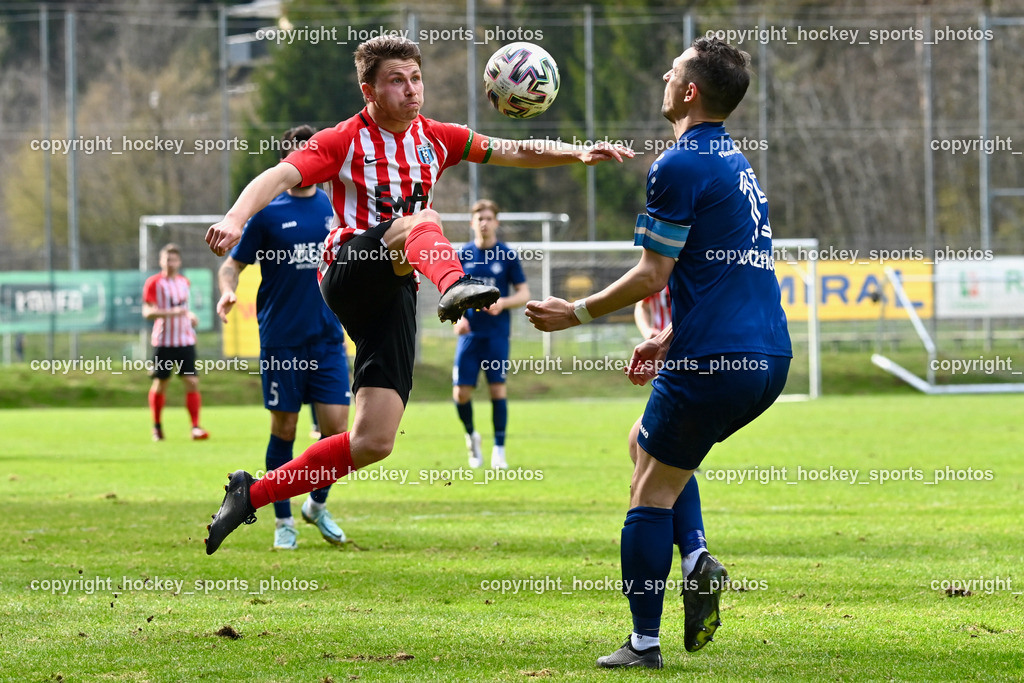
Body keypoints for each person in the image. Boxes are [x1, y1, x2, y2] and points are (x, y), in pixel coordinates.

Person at [202, 35, 632, 555]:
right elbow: (278, 175)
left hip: (397, 287)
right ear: (370, 91)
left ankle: (252, 493)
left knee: (373, 441)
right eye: (396, 81)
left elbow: (513, 149)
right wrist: (234, 216)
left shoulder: (437, 137)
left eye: (416, 78)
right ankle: (455, 285)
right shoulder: (342, 140)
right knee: (422, 219)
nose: (411, 90)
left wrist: (577, 151)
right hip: (349, 267)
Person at [526, 37, 792, 669]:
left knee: (648, 493)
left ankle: (645, 642)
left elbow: (653, 273)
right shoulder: (735, 162)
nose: (664, 77)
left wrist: (577, 312)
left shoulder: (676, 164)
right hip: (767, 356)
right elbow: (726, 273)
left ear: (690, 92)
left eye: (672, 71)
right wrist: (670, 338)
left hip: (715, 359)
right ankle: (696, 555)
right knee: (645, 445)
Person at [216, 125, 352, 551]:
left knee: (339, 434)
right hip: (282, 339)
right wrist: (227, 290)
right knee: (286, 427)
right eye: (297, 156)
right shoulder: (267, 213)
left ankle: (316, 505)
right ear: (285, 163)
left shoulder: (335, 206)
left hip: (329, 337)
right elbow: (231, 266)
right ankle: (283, 520)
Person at [452, 199, 530, 470]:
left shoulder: (507, 255)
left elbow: (524, 294)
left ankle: (499, 449)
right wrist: (457, 319)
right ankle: (471, 435)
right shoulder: (463, 254)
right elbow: (453, 295)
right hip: (470, 335)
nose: (484, 222)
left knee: (497, 390)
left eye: (488, 218)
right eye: (479, 218)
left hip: (497, 334)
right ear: (472, 223)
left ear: (496, 222)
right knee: (461, 393)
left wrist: (503, 303)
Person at [142, 243, 208, 441]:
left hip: (185, 341)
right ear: (161, 261)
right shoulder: (154, 283)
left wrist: (190, 316)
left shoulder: (184, 282)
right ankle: (157, 427)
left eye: (174, 259)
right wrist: (172, 313)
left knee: (192, 381)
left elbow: (184, 309)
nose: (170, 263)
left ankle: (195, 427)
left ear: (179, 262)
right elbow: (148, 312)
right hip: (164, 342)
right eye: (167, 259)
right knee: (161, 383)